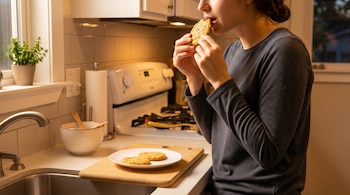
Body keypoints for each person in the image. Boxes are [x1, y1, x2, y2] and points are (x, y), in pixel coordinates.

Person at [172, 0, 314, 194]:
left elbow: (267, 153)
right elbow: (216, 135)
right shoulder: (232, 52)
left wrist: (221, 81)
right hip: (221, 188)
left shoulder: (285, 50)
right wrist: (194, 77)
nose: (201, 6)